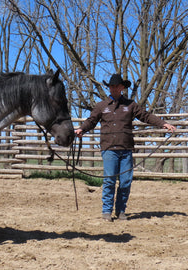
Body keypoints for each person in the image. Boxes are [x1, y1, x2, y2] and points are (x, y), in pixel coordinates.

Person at [75, 74, 176, 222]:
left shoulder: (130, 105)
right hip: (109, 148)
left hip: (126, 148)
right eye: (111, 86)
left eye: (117, 86)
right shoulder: (101, 106)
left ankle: (121, 211)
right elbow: (91, 121)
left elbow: (145, 116)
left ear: (122, 87)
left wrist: (163, 124)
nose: (114, 88)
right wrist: (81, 129)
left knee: (126, 181)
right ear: (109, 88)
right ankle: (106, 211)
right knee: (109, 180)